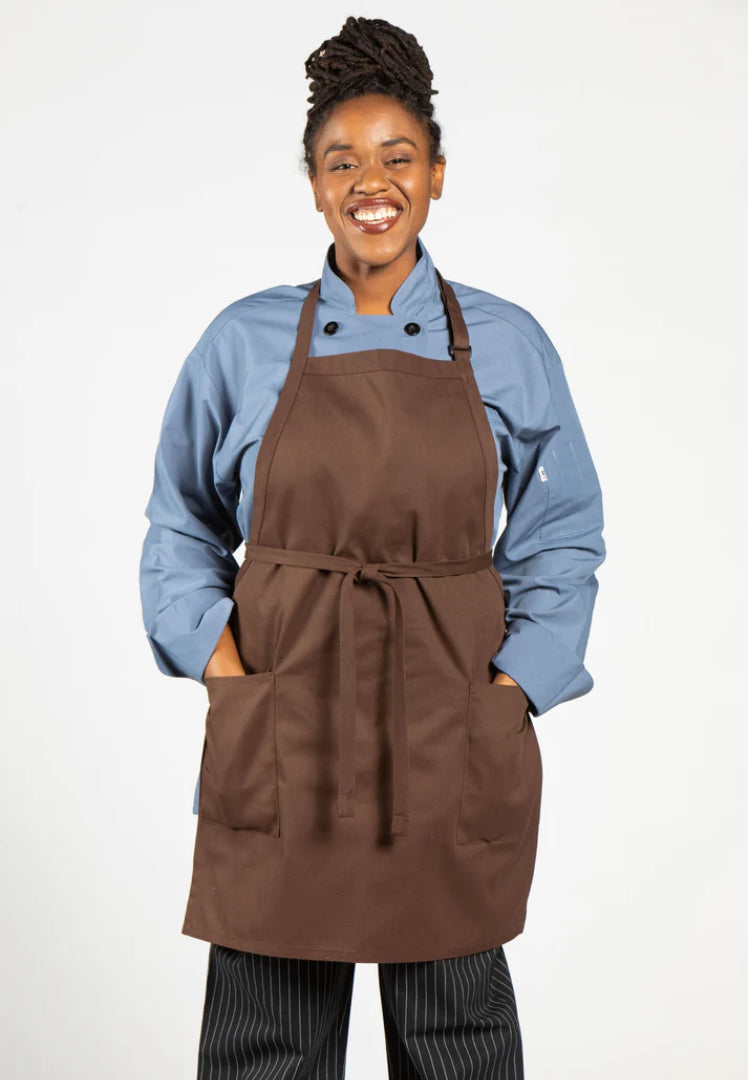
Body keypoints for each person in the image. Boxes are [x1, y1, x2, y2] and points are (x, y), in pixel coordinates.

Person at [139, 15, 605, 1079]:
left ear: (437, 175)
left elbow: (563, 529)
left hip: (446, 723)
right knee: (265, 1045)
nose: (370, 183)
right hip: (283, 720)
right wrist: (225, 672)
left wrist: (511, 688)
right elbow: (179, 522)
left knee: (457, 1043)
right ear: (313, 184)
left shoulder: (507, 341)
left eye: (397, 156)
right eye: (341, 161)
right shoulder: (243, 340)